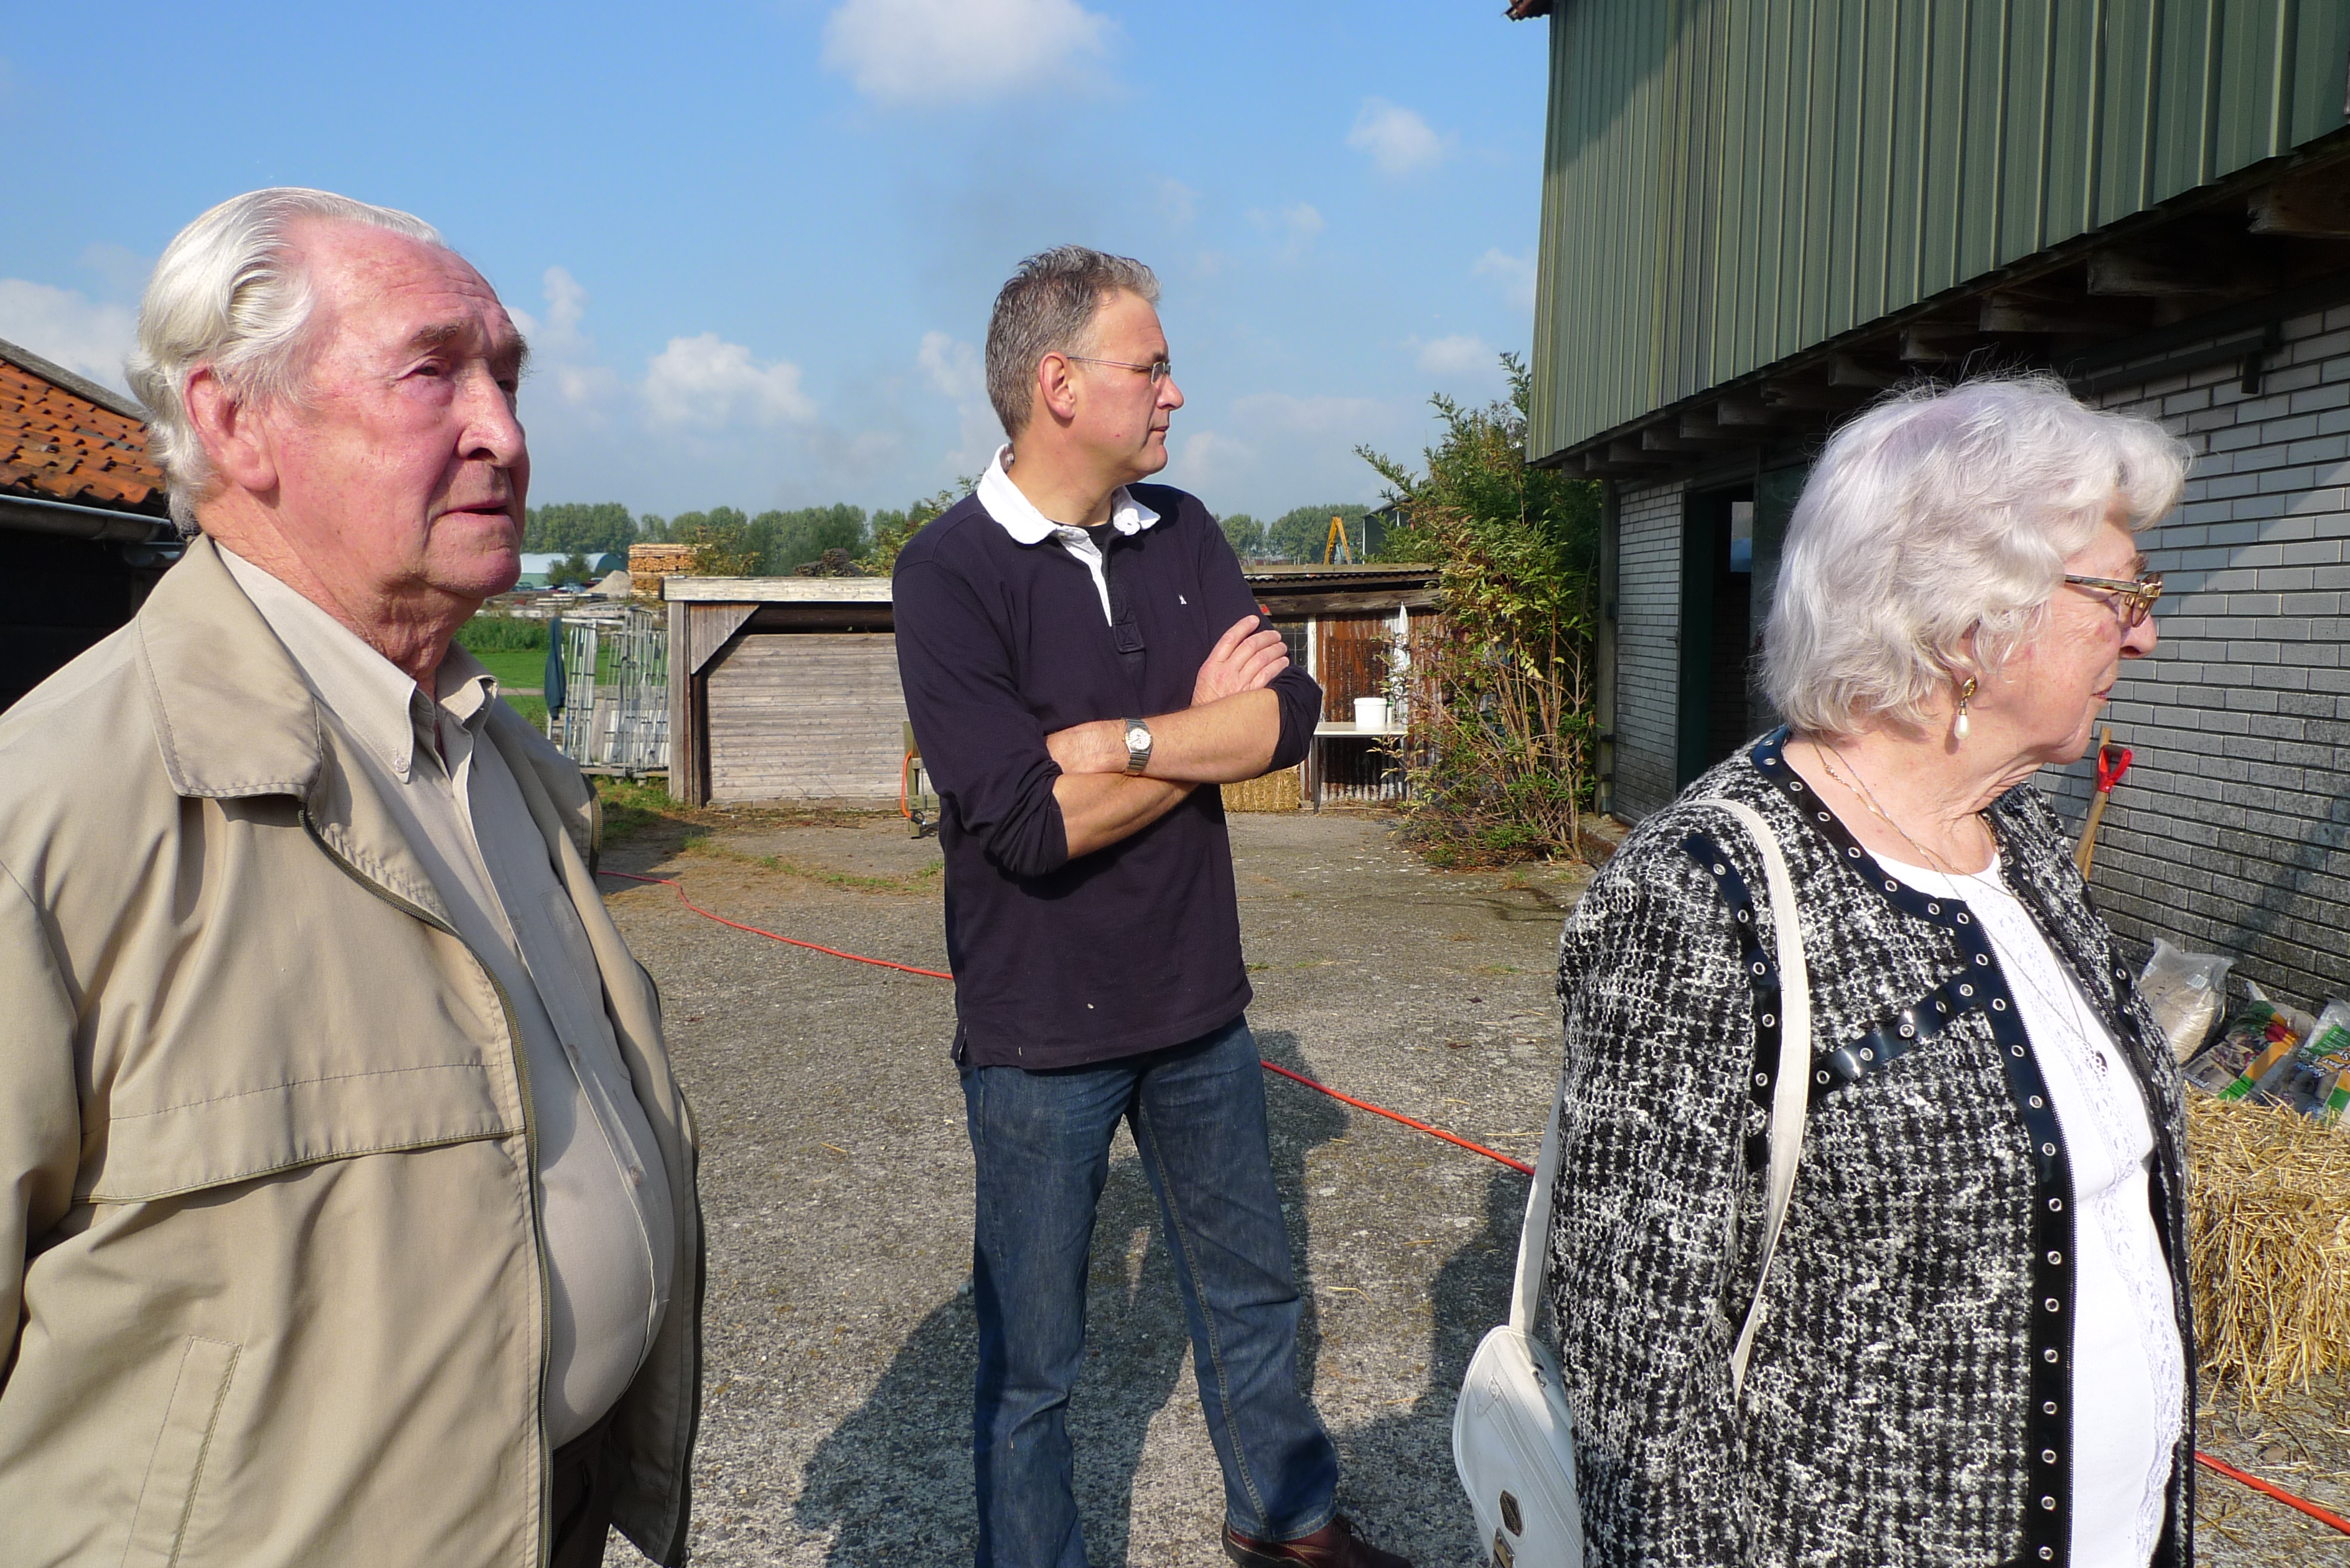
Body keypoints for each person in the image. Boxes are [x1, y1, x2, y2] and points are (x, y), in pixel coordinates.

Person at [0, 189, 703, 1567]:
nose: (503, 429)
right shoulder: (52, 808)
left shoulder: (506, 761)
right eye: (433, 369)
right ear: (233, 422)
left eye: (506, 374)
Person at [1546, 376, 2196, 1567]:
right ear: (1965, 626)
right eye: (2117, 595)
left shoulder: (2025, 840)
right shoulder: (1701, 894)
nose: (2145, 630)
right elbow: (1641, 1388)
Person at [892, 247, 1409, 1568]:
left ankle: (1285, 1523)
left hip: (1196, 1006)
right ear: (1059, 383)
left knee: (1252, 1293)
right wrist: (1195, 736)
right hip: (1035, 1033)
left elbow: (1283, 722)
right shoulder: (948, 571)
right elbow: (1020, 827)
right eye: (1154, 365)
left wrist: (1105, 743)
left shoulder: (1182, 531)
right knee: (1033, 1355)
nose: (1176, 393)